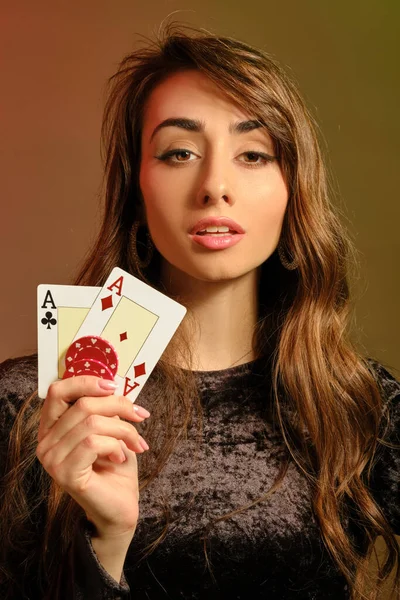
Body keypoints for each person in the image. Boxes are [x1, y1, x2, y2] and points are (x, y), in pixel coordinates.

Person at [0, 23, 399, 600]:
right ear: (136, 189)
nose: (215, 185)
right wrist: (105, 546)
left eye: (253, 154)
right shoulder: (25, 408)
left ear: (295, 194)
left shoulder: (361, 407)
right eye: (179, 152)